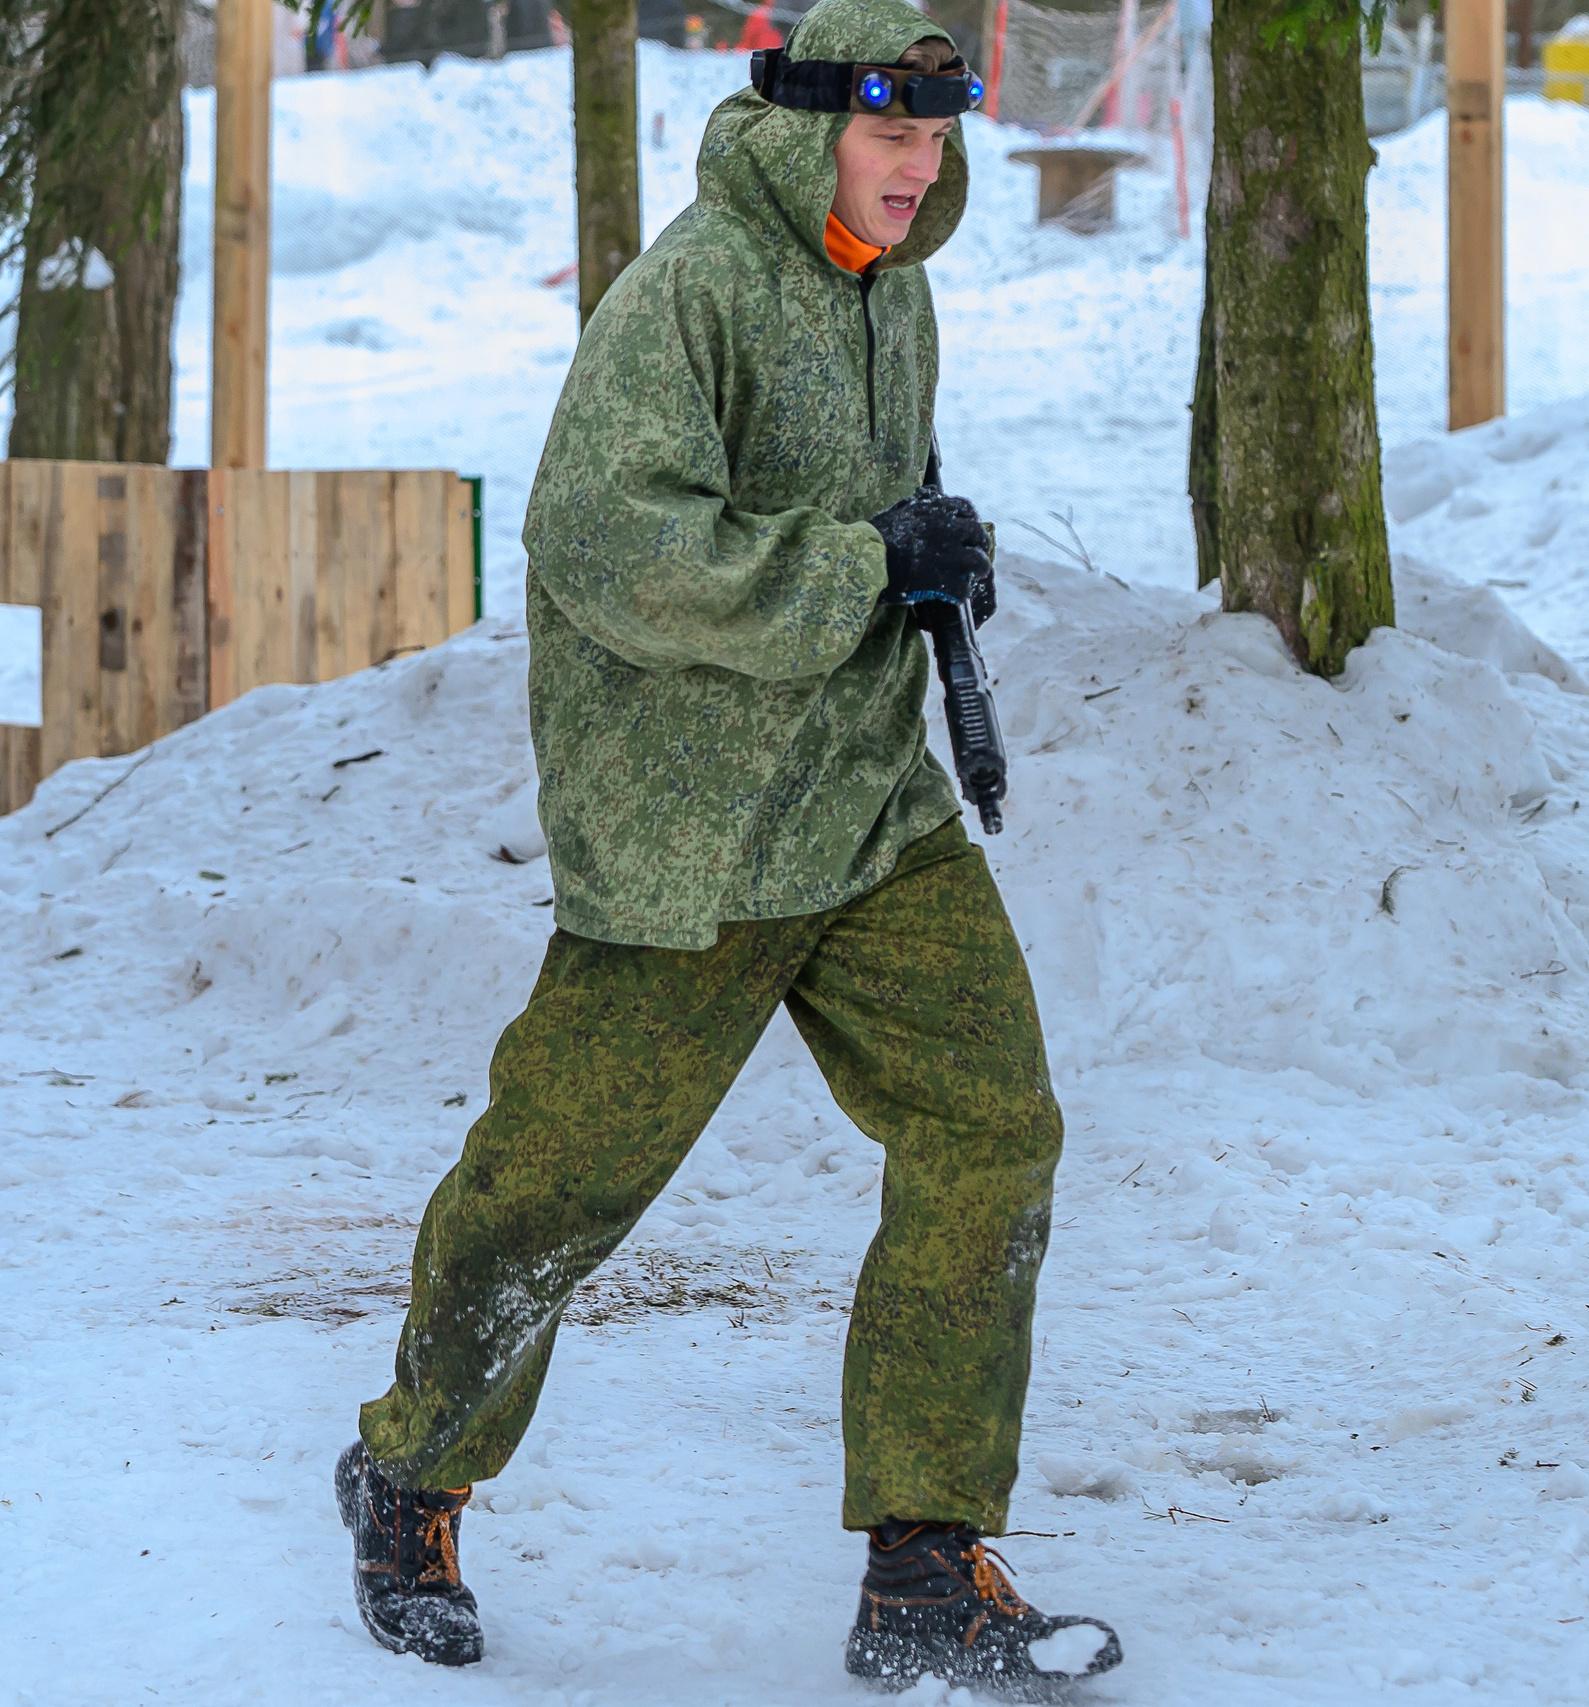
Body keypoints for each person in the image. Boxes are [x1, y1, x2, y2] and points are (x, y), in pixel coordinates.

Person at [331, 0, 1121, 1691]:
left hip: (866, 808)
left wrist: (929, 556)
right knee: (558, 1188)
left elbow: (864, 501)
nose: (920, 164)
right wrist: (856, 567)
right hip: (690, 834)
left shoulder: (887, 292)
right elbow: (612, 543)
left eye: (937, 134)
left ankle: (922, 1561)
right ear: (802, 126)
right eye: (890, 132)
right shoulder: (688, 292)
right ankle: (411, 1478)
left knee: (992, 1130)